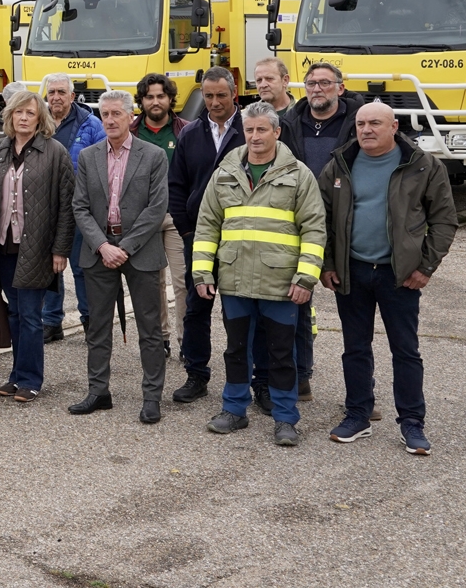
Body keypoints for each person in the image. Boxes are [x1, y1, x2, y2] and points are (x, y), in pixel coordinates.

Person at [320, 101, 456, 454]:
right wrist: (327, 264)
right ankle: (358, 415)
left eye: (375, 123)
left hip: (400, 276)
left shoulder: (422, 166)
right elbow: (321, 219)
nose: (366, 130)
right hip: (352, 271)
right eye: (361, 123)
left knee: (405, 350)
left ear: (394, 126)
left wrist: (425, 266)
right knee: (355, 348)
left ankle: (412, 423)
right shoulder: (341, 164)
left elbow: (443, 220)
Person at [192, 101, 325, 447]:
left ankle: (285, 419)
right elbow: (207, 225)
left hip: (281, 283)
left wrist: (305, 278)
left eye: (261, 129)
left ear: (277, 132)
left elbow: (314, 229)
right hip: (234, 279)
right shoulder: (225, 173)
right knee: (235, 350)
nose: (254, 136)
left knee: (282, 353)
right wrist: (203, 273)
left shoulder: (298, 175)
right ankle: (234, 410)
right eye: (249, 130)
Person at [69, 91, 170, 423]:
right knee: (97, 327)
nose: (110, 120)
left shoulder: (153, 156)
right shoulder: (88, 156)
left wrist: (125, 247)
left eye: (116, 114)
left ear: (131, 116)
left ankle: (152, 396)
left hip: (139, 252)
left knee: (149, 329)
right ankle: (99, 391)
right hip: (99, 251)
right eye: (105, 114)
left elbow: (157, 209)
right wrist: (102, 245)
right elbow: (80, 207)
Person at [0, 89, 74, 404]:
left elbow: (65, 204)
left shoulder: (54, 152)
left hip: (37, 248)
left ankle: (31, 379)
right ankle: (17, 375)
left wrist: (60, 249)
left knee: (32, 315)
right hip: (3, 245)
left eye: (29, 113)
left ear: (40, 118)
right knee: (15, 313)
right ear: (9, 116)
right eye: (18, 112)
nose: (23, 117)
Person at [166, 67, 245, 404]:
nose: (213, 102)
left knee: (239, 312)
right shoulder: (190, 134)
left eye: (220, 96)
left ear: (234, 94)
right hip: (199, 238)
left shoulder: (250, 131)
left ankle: (250, 380)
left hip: (242, 239)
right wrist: (186, 231)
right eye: (208, 95)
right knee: (196, 309)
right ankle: (197, 375)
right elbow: (177, 186)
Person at [256, 56, 331, 401]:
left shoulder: (299, 119)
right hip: (282, 226)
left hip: (321, 219)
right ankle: (288, 377)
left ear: (286, 81)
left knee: (305, 304)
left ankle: (303, 373)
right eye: (258, 79)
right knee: (290, 305)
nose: (263, 84)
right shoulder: (268, 120)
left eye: (269, 78)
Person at [40, 73, 105, 342]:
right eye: (51, 92)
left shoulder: (91, 125)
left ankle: (90, 320)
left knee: (81, 268)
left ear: (72, 96)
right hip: (46, 207)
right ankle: (52, 322)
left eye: (61, 92)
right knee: (50, 267)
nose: (56, 97)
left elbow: (102, 165)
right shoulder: (38, 122)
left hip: (80, 208)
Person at [132, 73, 189, 358]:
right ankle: (160, 339)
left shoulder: (185, 131)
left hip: (177, 216)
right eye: (149, 96)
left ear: (170, 99)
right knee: (152, 284)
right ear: (141, 101)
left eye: (161, 96)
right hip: (144, 219)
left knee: (182, 282)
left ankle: (186, 341)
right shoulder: (131, 133)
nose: (155, 102)